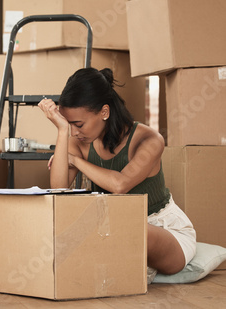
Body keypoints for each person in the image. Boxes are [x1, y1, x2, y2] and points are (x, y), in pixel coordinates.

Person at [38, 67, 196, 281]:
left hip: (161, 230)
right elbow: (58, 190)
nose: (75, 132)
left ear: (104, 112)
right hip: (111, 230)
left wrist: (74, 160)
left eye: (78, 124)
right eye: (70, 125)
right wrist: (62, 132)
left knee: (132, 229)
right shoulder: (79, 139)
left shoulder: (149, 140)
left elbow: (120, 185)